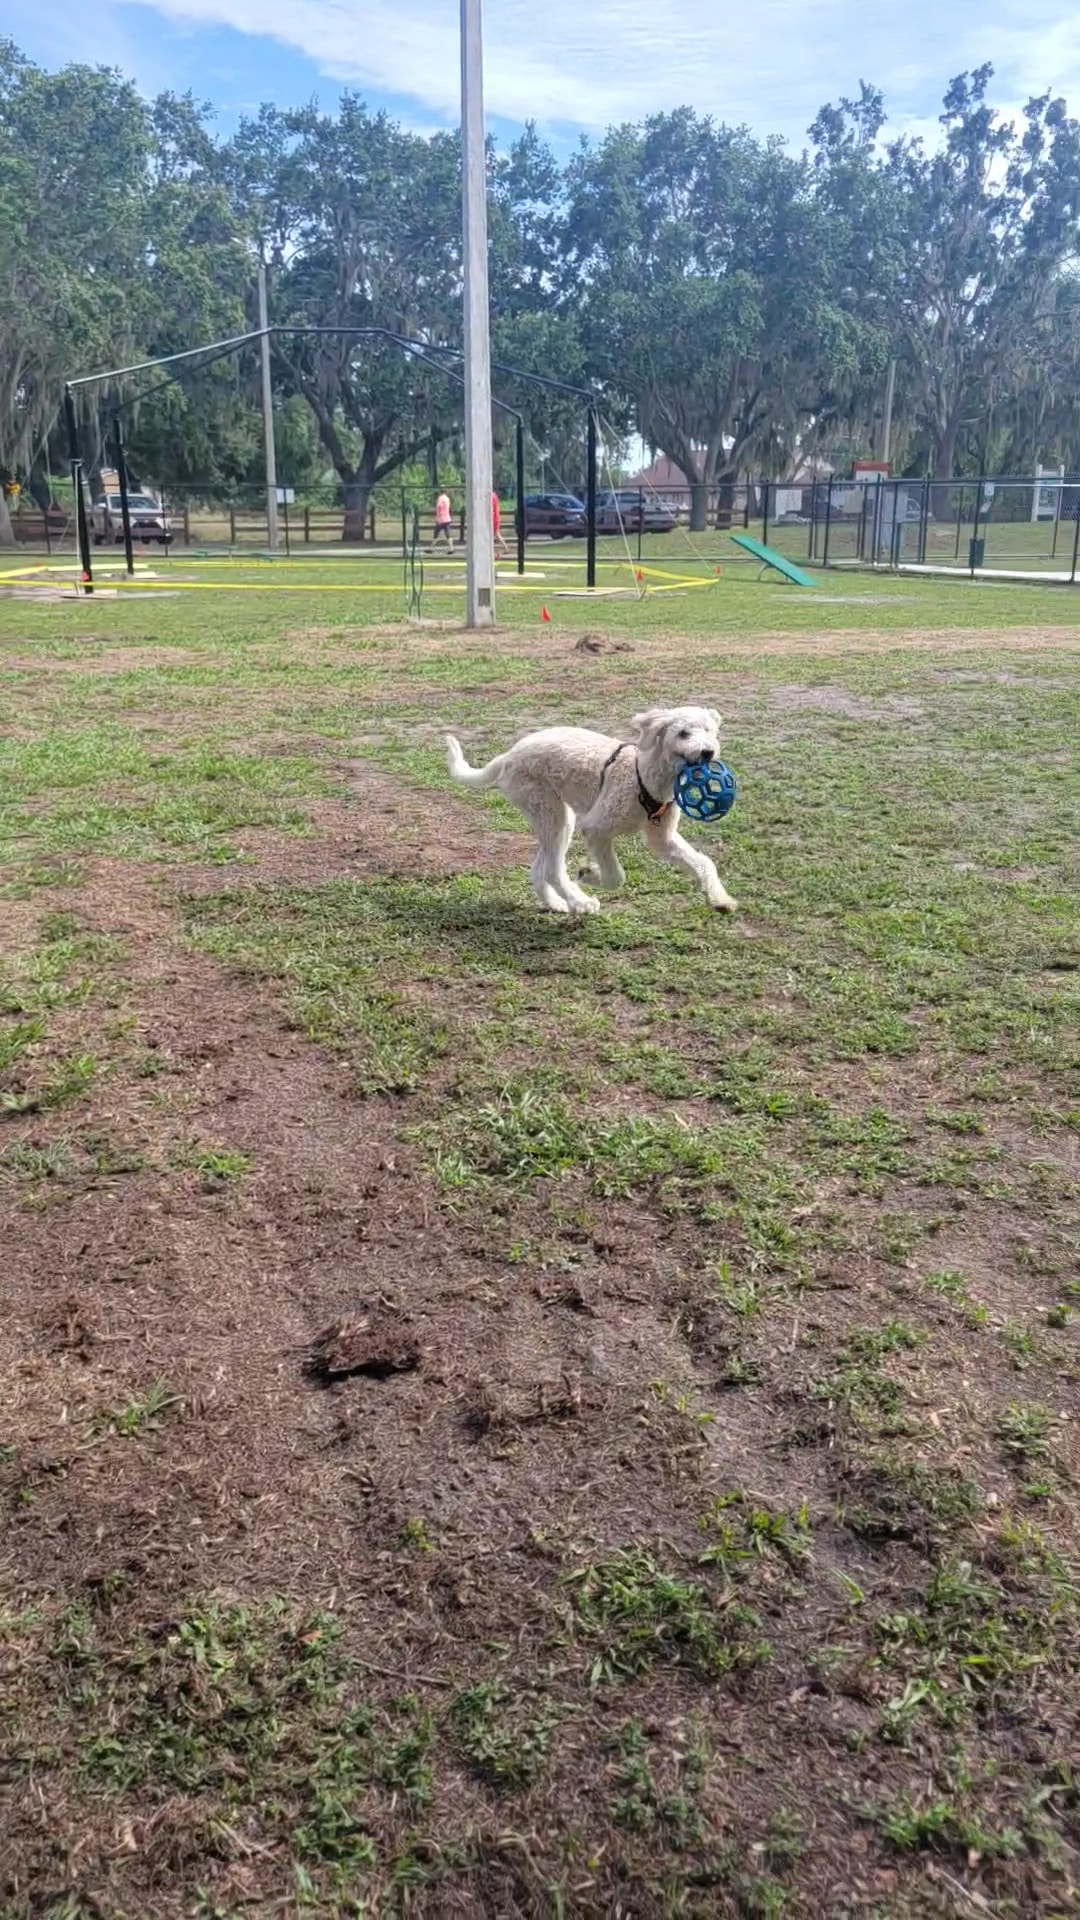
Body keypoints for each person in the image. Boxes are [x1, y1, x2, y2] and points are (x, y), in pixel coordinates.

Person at [491, 489, 509, 558]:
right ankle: (504, 548)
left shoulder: (492, 497)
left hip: (494, 518)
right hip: (496, 517)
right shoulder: (494, 496)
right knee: (496, 534)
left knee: (496, 534)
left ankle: (505, 548)